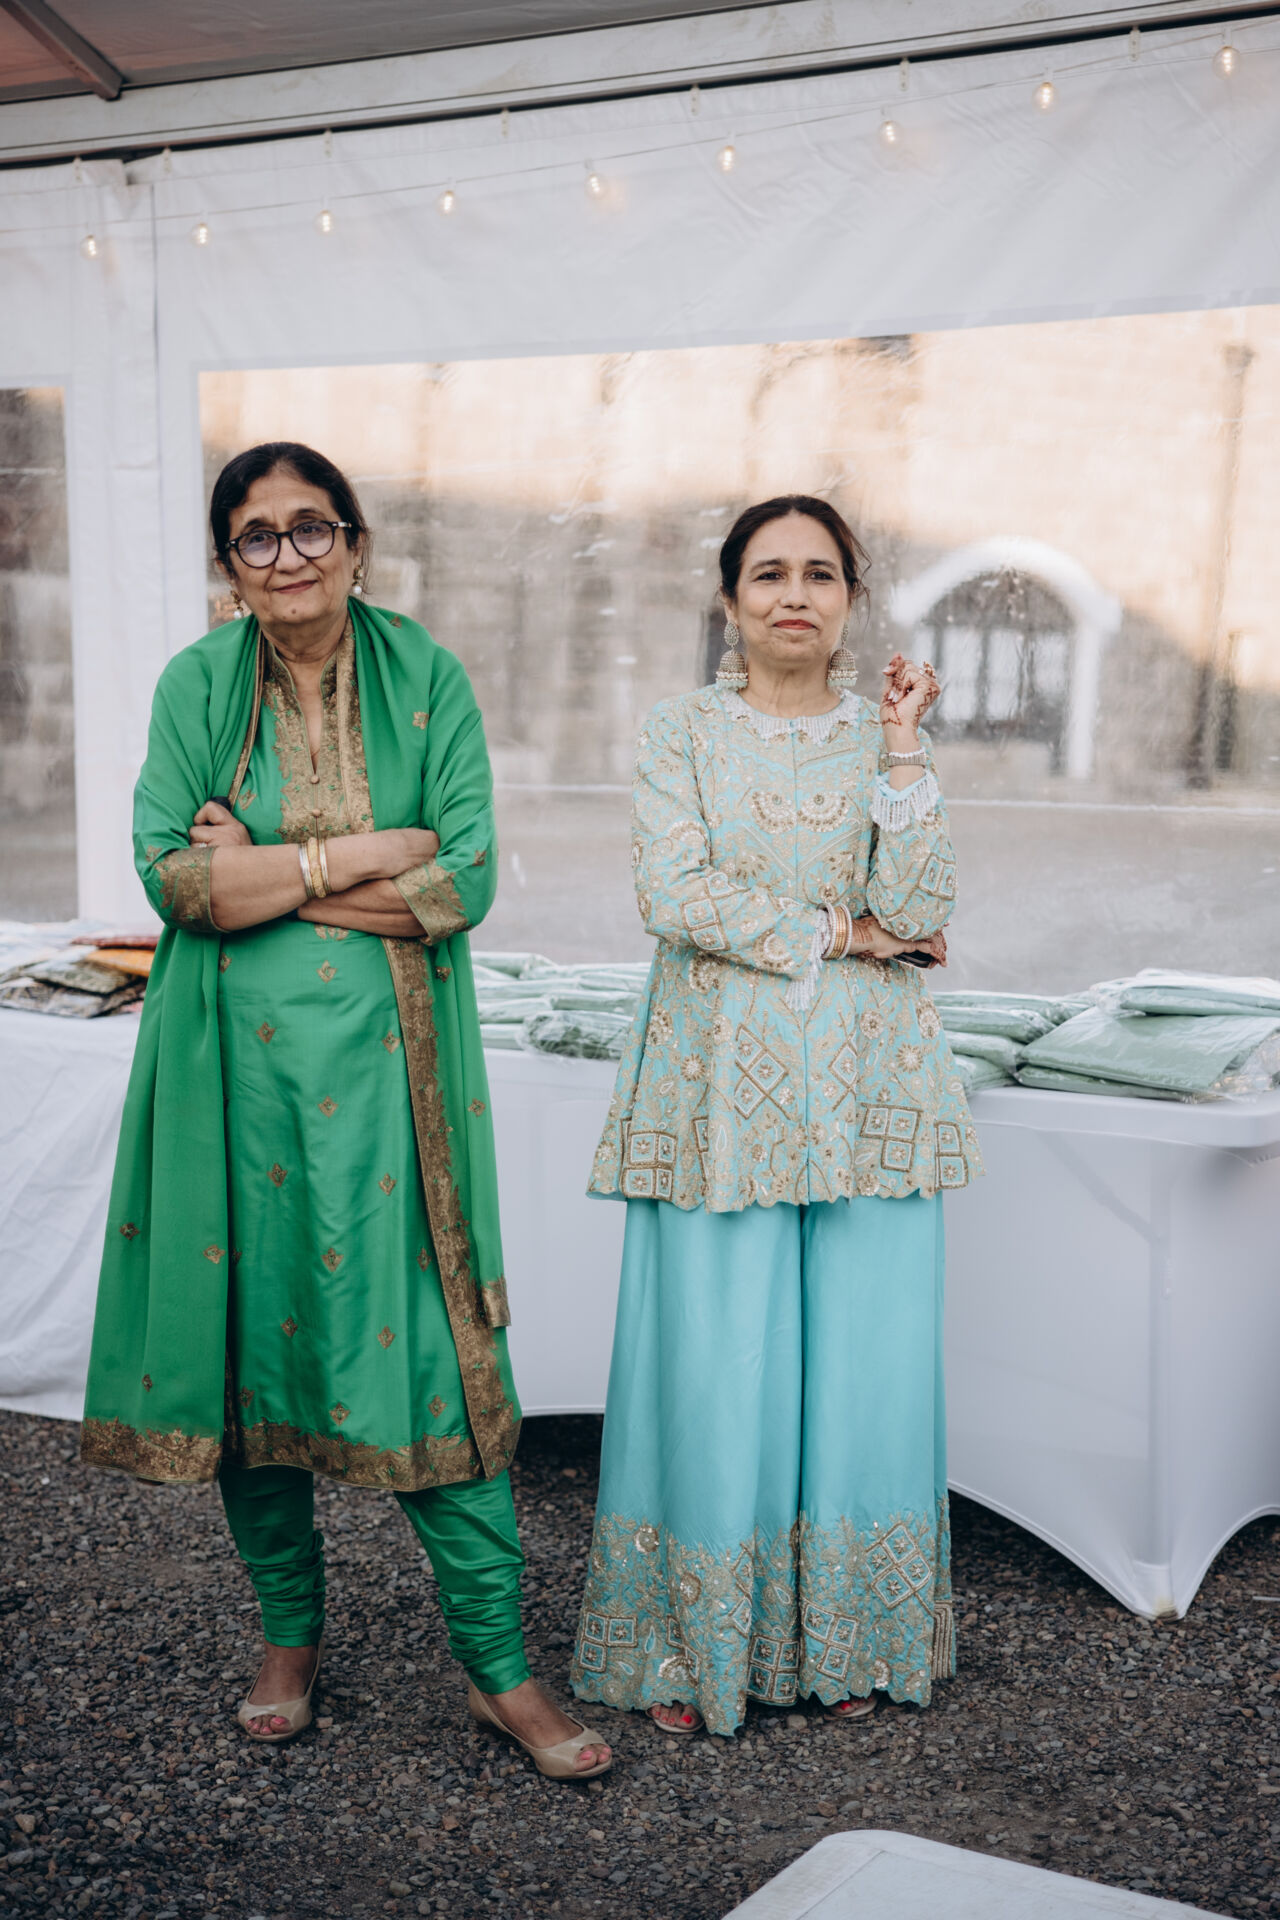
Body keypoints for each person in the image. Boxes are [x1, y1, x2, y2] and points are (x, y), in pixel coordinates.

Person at [80, 441, 611, 1779]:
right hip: (233, 1081)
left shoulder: (424, 675)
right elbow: (172, 883)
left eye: (311, 526)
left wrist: (263, 868)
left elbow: (462, 882)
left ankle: (498, 1668)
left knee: (433, 1356)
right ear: (230, 564)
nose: (289, 555)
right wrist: (365, 853)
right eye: (256, 535)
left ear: (356, 543)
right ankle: (288, 1639)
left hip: (394, 1086)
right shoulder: (197, 685)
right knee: (252, 1353)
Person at [570, 494, 981, 1738]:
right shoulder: (680, 731)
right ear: (728, 599)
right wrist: (847, 933)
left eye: (817, 573)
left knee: (865, 1360)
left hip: (871, 1085)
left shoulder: (883, 740)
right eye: (766, 573)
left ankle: (846, 1638)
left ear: (850, 599)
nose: (792, 594)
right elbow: (672, 892)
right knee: (715, 1357)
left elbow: (924, 906)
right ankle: (690, 1645)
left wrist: (902, 748)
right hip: (714, 1083)